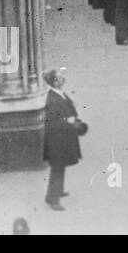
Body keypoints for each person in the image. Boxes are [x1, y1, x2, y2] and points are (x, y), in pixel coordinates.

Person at [42, 69, 85, 211]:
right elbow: (53, 123)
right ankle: (52, 199)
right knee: (57, 168)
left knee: (61, 166)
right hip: (57, 141)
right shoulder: (52, 100)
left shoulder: (58, 94)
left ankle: (58, 190)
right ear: (54, 81)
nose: (63, 79)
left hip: (62, 138)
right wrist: (69, 120)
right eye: (60, 78)